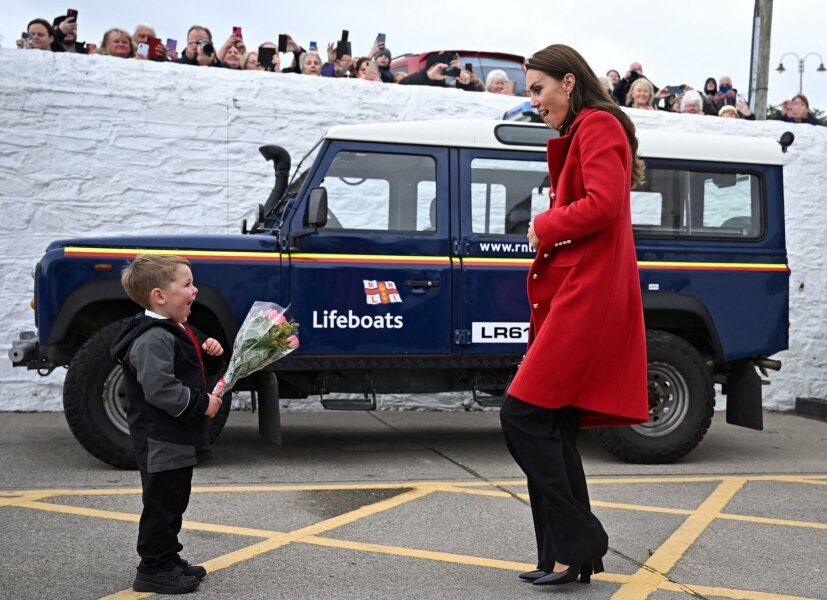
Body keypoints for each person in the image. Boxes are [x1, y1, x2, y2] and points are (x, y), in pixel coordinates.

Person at [501, 43, 648, 588]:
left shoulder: (599, 125)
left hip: (587, 295)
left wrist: (546, 223)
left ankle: (581, 539)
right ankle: (565, 557)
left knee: (521, 415)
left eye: (538, 89)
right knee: (552, 425)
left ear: (568, 81)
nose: (533, 101)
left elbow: (605, 205)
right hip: (575, 292)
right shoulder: (581, 130)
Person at [111, 255, 224, 594]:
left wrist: (211, 353)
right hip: (162, 439)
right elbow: (160, 388)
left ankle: (169, 559)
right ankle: (153, 567)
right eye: (187, 284)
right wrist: (203, 403)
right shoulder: (153, 337)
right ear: (159, 296)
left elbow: (186, 366)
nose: (195, 290)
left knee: (174, 501)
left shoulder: (173, 328)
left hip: (175, 438)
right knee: (161, 506)